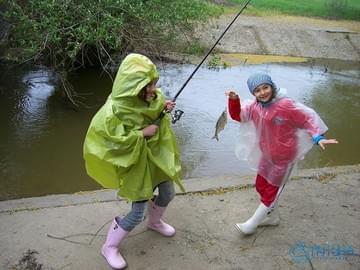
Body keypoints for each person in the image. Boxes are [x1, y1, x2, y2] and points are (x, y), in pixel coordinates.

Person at [83, 53, 184, 269]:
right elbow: (111, 144)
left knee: (167, 193)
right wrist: (141, 134)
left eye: (154, 83)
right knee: (137, 212)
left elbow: (156, 111)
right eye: (146, 85)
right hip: (135, 166)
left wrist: (164, 107)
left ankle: (155, 222)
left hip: (156, 158)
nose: (153, 90)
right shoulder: (113, 111)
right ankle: (109, 247)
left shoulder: (154, 96)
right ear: (131, 85)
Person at [225, 72, 338, 235]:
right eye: (257, 90)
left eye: (266, 87)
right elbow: (238, 116)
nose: (263, 92)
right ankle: (273, 217)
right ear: (253, 93)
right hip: (267, 155)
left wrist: (317, 137)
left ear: (272, 86)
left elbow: (307, 119)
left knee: (271, 191)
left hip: (284, 158)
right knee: (261, 186)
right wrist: (234, 100)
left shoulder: (285, 105)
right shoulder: (254, 107)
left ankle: (251, 224)